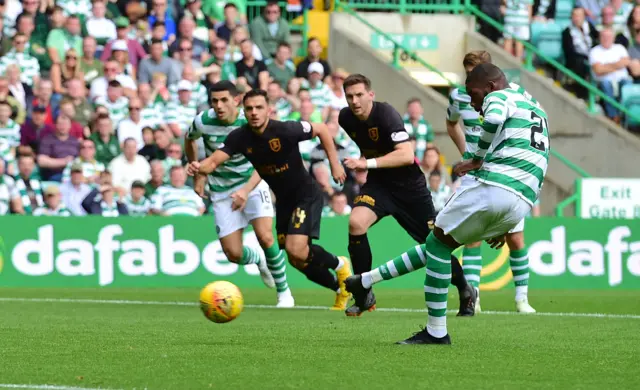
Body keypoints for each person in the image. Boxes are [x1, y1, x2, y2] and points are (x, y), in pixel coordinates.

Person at [397, 63, 550, 344]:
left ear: (490, 86)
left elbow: (490, 121)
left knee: (436, 243)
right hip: (523, 197)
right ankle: (494, 296)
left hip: (496, 185)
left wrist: (477, 158)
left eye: (474, 93)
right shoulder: (531, 101)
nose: (474, 103)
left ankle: (436, 331)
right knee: (454, 241)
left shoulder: (498, 97)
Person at [186, 88, 353, 310]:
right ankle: (340, 289)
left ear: (268, 110)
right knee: (297, 260)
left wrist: (334, 164)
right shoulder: (239, 136)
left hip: (304, 195)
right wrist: (199, 168)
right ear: (244, 110)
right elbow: (214, 160)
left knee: (295, 249)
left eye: (259, 108)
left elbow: (322, 129)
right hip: (283, 200)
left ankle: (340, 264)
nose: (254, 112)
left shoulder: (285, 130)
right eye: (250, 108)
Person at [338, 74, 474, 317]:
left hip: (410, 189)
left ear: (371, 95)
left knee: (434, 244)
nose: (355, 101)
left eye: (359, 95)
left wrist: (365, 163)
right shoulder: (345, 118)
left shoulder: (386, 114)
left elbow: (405, 154)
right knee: (356, 223)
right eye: (350, 96)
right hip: (379, 185)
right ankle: (363, 294)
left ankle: (465, 289)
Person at [445, 51, 538, 314]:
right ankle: (473, 297)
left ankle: (522, 298)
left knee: (515, 238)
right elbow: (451, 124)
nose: (469, 78)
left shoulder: (506, 97)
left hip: (502, 170)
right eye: (467, 72)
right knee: (471, 237)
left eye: (474, 72)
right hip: (474, 171)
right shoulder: (459, 95)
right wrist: (468, 153)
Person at [185, 81, 292, 307]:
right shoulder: (202, 121)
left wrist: (246, 190)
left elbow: (266, 162)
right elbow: (190, 138)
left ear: (236, 100)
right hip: (221, 190)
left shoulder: (250, 121)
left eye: (224, 100)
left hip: (253, 182)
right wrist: (198, 173)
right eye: (214, 101)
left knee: (266, 236)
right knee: (233, 253)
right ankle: (259, 260)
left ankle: (284, 293)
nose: (219, 105)